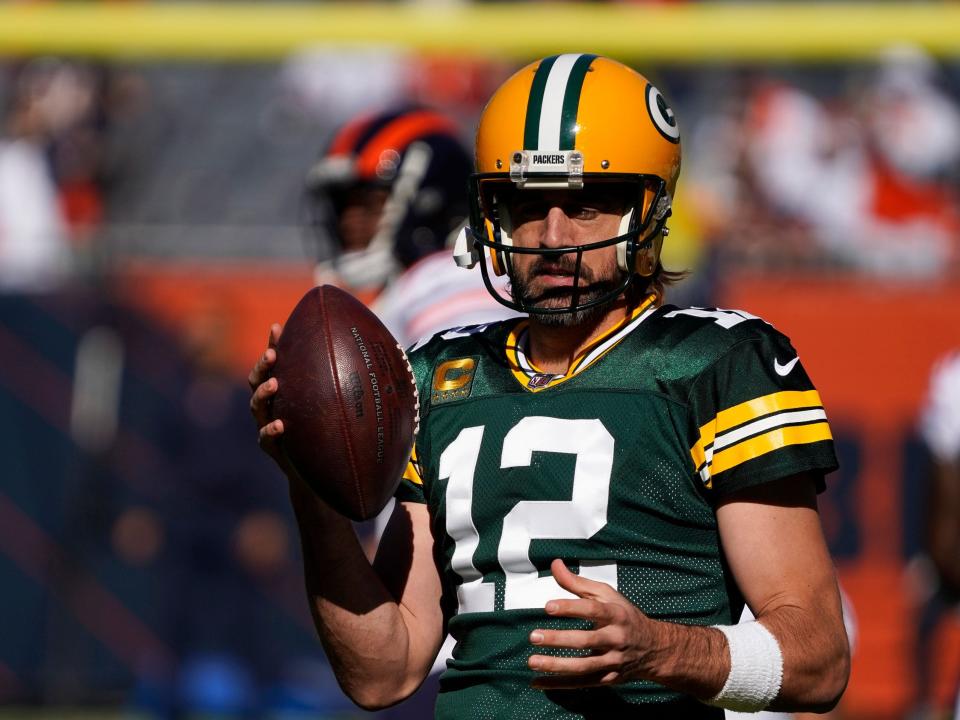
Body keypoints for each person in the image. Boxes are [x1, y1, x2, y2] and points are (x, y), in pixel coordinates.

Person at [250, 55, 850, 717]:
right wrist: (312, 490)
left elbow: (818, 660)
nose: (553, 238)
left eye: (586, 205)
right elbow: (382, 671)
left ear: (648, 210)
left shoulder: (716, 362)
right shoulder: (436, 372)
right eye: (527, 206)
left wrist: (664, 652)